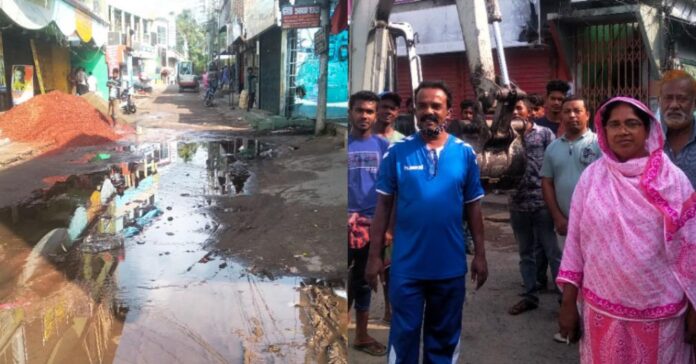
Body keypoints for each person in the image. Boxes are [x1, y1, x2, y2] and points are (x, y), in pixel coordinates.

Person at [556, 96, 696, 362]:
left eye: (632, 123)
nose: (623, 131)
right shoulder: (592, 179)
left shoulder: (673, 181)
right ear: (603, 131)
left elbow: (692, 250)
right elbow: (574, 244)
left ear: (648, 130)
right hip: (602, 313)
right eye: (614, 124)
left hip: (662, 317)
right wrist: (567, 305)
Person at [366, 80, 488, 363]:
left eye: (436, 105)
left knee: (443, 340)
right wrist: (374, 257)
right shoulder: (396, 153)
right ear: (414, 110)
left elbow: (474, 208)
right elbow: (383, 207)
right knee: (403, 337)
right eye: (422, 105)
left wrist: (480, 255)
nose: (429, 111)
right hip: (407, 268)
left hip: (449, 267)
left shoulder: (465, 154)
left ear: (448, 111)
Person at [507, 97, 560, 315]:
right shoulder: (505, 136)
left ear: (530, 112)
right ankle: (530, 296)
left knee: (553, 252)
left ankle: (564, 299)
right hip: (517, 204)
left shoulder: (545, 134)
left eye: (519, 108)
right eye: (512, 108)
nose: (515, 111)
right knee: (525, 253)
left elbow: (555, 166)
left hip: (542, 202)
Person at [347, 90, 389, 357]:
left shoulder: (384, 147)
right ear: (351, 112)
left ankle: (361, 335)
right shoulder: (342, 145)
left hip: (371, 225)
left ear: (375, 116)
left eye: (369, 111)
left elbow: (390, 190)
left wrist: (387, 229)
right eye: (359, 110)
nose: (364, 115)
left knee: (364, 280)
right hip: (342, 223)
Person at [660, 69, 696, 188]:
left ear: (694, 103)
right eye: (668, 98)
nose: (674, 105)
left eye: (682, 99)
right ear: (660, 101)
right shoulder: (647, 139)